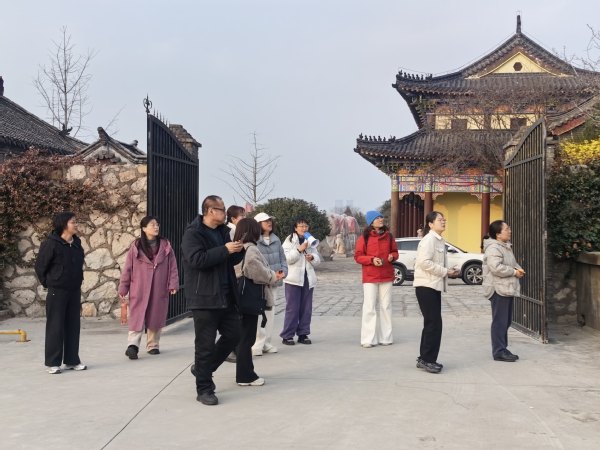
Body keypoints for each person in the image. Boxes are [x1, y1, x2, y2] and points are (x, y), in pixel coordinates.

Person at [182, 195, 245, 406]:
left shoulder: (223, 231)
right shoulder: (193, 233)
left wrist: (237, 250)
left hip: (226, 295)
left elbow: (229, 260)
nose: (225, 213)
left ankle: (204, 369)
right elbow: (197, 260)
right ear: (210, 211)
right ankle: (204, 389)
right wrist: (225, 249)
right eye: (222, 209)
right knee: (205, 346)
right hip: (204, 298)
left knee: (234, 335)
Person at [118, 216, 179, 360]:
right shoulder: (136, 246)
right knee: (137, 315)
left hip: (159, 286)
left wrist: (173, 284)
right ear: (144, 228)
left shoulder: (165, 246)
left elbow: (173, 267)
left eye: (157, 224)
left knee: (156, 314)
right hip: (139, 286)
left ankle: (153, 345)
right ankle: (132, 345)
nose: (156, 227)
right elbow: (127, 269)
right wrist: (123, 288)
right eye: (152, 225)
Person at [233, 218, 285, 386]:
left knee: (243, 337)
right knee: (246, 338)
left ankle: (245, 373)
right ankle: (245, 376)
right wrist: (273, 276)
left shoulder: (236, 247)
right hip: (249, 297)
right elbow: (255, 270)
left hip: (238, 296)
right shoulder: (251, 248)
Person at [34, 212, 87, 374]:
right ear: (63, 224)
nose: (76, 224)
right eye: (73, 222)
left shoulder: (77, 244)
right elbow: (40, 266)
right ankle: (53, 363)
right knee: (55, 326)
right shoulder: (51, 244)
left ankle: (72, 360)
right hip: (57, 291)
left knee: (73, 326)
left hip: (74, 290)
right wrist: (50, 283)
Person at [413, 211, 460, 374]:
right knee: (433, 324)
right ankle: (427, 360)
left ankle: (425, 358)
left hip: (433, 285)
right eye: (440, 220)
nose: (443, 221)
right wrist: (445, 271)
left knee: (432, 323)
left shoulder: (439, 240)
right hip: (426, 286)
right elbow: (424, 263)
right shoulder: (429, 240)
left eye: (444, 219)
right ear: (430, 224)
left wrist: (448, 270)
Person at [354, 210, 398, 348]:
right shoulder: (364, 238)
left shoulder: (389, 236)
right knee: (369, 307)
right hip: (370, 276)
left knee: (386, 306)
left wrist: (392, 256)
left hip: (386, 275)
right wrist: (372, 259)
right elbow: (358, 256)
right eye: (377, 218)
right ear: (371, 222)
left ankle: (386, 338)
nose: (381, 219)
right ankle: (368, 339)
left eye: (381, 217)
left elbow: (395, 252)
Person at [483, 221, 525, 362]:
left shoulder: (505, 247)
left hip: (506, 287)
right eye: (507, 229)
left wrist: (518, 269)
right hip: (498, 289)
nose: (510, 231)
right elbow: (496, 267)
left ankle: (502, 348)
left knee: (505, 321)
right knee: (500, 321)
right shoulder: (494, 248)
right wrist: (514, 272)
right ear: (498, 234)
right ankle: (499, 351)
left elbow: (511, 263)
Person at [252, 212, 288, 356]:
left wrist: (284, 272)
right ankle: (257, 344)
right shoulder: (254, 240)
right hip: (260, 282)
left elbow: (282, 259)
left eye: (270, 220)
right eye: (265, 221)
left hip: (274, 281)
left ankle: (267, 342)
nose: (269, 223)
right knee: (258, 314)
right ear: (258, 224)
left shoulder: (276, 239)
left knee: (270, 313)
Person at [280, 218, 321, 345]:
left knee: (306, 308)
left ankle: (303, 334)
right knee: (292, 308)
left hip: (308, 278)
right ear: (295, 228)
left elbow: (318, 260)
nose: (304, 228)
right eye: (301, 226)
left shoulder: (311, 240)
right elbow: (286, 259)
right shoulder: (289, 240)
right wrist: (299, 250)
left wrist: (312, 257)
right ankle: (287, 335)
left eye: (306, 226)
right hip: (293, 279)